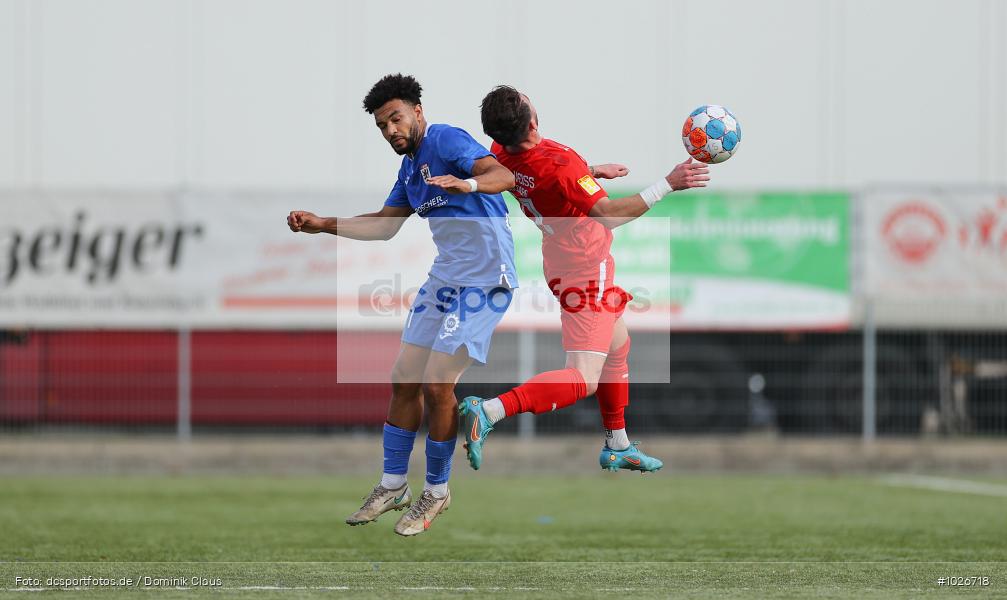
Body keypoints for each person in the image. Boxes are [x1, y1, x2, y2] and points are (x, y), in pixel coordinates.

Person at [287, 74, 518, 536]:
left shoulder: (445, 139)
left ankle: (437, 490)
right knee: (404, 378)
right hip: (446, 278)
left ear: (417, 111)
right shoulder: (410, 171)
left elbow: (504, 175)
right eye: (382, 125)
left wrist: (468, 184)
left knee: (437, 383)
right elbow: (384, 225)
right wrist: (323, 224)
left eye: (396, 118)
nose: (391, 130)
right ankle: (394, 484)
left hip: (485, 279)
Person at [460, 85, 710, 473]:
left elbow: (543, 178)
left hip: (563, 259)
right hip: (584, 268)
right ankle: (491, 410)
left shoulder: (500, 153)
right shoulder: (559, 163)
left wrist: (588, 173)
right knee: (584, 377)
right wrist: (668, 184)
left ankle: (618, 444)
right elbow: (608, 214)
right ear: (532, 123)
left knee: (618, 345)